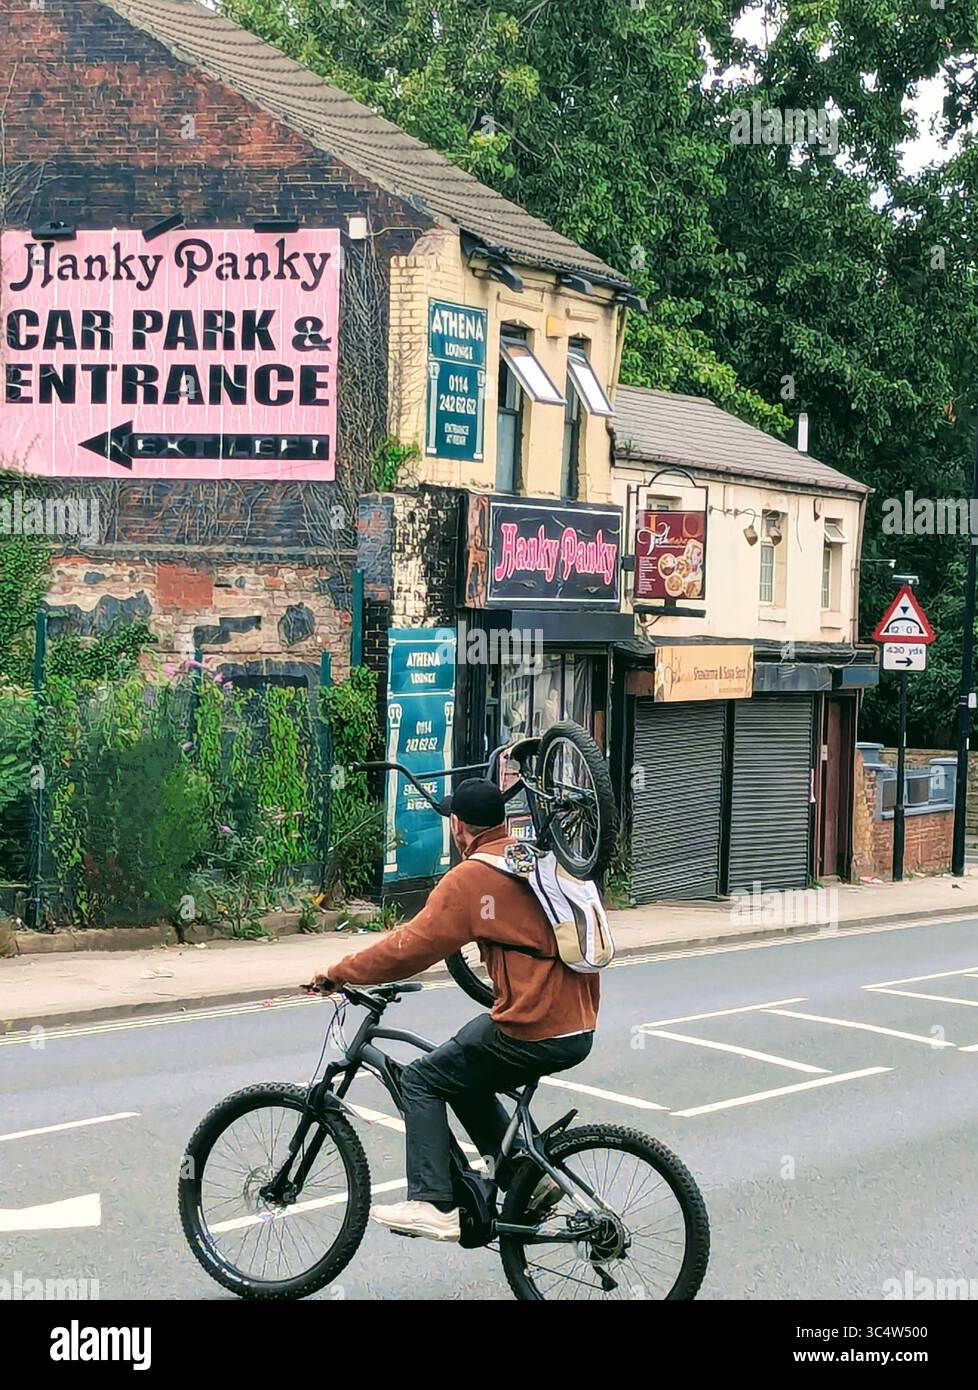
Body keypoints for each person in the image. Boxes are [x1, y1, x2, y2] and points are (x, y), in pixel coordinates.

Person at [310, 777, 599, 1242]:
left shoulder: (471, 878)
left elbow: (408, 948)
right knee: (463, 1071)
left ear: (459, 827)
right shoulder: (530, 860)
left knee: (421, 1078)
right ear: (501, 822)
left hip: (533, 1025)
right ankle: (528, 1177)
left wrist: (341, 971)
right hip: (578, 1022)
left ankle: (432, 1202)